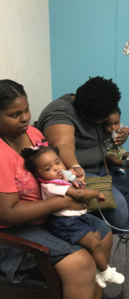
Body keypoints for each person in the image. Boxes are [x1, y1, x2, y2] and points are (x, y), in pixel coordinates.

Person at [0, 79, 112, 299]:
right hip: (13, 229)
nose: (24, 118)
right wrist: (62, 202)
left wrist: (72, 174)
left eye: (27, 110)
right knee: (80, 262)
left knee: (105, 234)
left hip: (48, 216)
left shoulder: (34, 135)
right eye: (15, 115)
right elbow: (7, 213)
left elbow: (55, 168)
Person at [36, 77, 129, 234]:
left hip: (101, 166)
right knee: (117, 206)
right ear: (84, 113)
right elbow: (62, 145)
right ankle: (111, 244)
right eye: (101, 121)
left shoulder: (99, 105)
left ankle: (125, 244)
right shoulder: (60, 112)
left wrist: (121, 136)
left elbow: (112, 128)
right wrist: (75, 166)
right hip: (77, 173)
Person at [20, 144, 125, 288]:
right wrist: (96, 193)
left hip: (77, 218)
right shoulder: (51, 186)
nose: (56, 168)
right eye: (48, 168)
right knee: (94, 244)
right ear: (38, 176)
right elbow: (80, 194)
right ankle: (106, 272)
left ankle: (97, 273)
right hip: (67, 223)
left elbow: (73, 183)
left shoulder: (58, 178)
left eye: (57, 162)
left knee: (97, 237)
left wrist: (73, 177)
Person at [102, 106, 129, 171]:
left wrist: (127, 130)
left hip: (119, 149)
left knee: (125, 154)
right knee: (111, 157)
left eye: (116, 123)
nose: (113, 127)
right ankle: (123, 163)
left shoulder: (121, 127)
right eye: (108, 124)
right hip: (109, 151)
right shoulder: (102, 131)